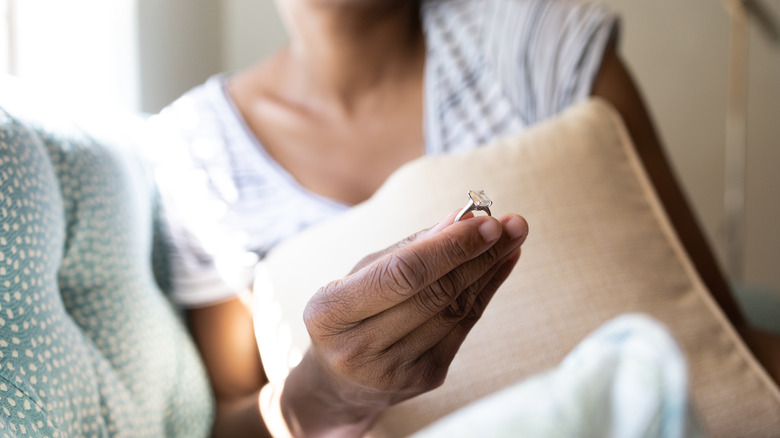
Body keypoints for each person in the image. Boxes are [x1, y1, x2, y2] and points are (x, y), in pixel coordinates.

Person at [145, 0, 780, 436]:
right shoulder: (199, 150)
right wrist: (329, 392)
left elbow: (716, 333)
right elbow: (228, 420)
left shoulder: (532, 42)